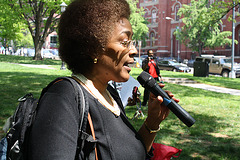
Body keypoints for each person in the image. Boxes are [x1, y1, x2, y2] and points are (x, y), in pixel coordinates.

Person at [26, 0, 179, 159]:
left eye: (132, 42)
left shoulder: (111, 94)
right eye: (124, 42)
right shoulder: (63, 97)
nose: (133, 50)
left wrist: (152, 123)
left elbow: (133, 154)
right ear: (93, 48)